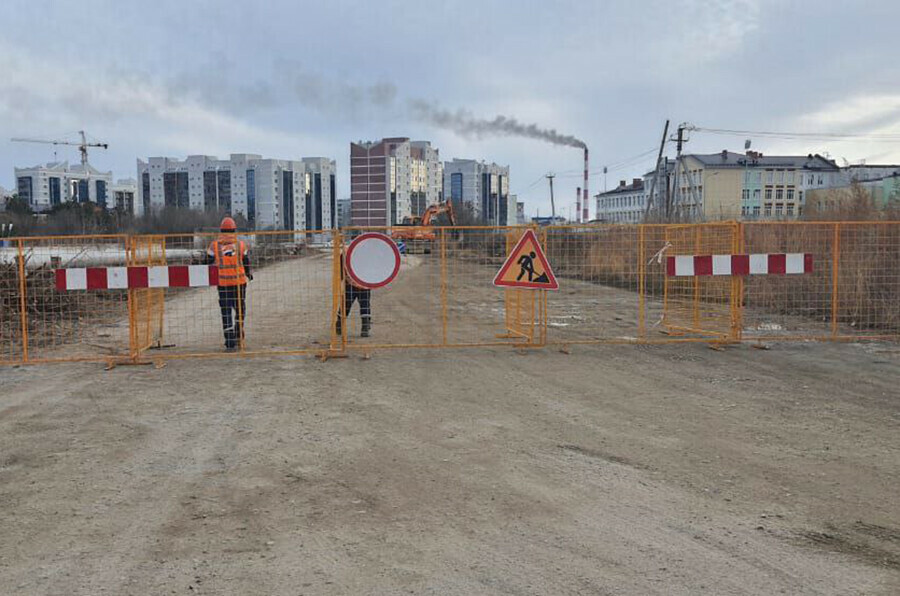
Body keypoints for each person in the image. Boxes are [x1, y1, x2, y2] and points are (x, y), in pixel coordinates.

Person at [206, 217, 252, 351]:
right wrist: (248, 274)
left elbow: (207, 261)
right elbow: (246, 261)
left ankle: (229, 341)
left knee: (225, 311)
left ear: (221, 230)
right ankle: (238, 332)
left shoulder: (214, 245)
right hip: (239, 283)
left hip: (223, 283)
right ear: (234, 230)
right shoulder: (241, 245)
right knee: (240, 308)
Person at [335, 248, 371, 338]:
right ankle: (365, 328)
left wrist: (342, 279)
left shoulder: (346, 250)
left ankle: (339, 326)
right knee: (365, 305)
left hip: (351, 283)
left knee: (346, 305)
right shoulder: (368, 250)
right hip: (364, 284)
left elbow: (340, 266)